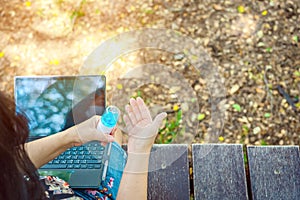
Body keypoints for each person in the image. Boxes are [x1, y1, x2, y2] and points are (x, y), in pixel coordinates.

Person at [0, 90, 167, 200]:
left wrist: (73, 136)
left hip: (58, 188)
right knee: (115, 136)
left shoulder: (6, 178)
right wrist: (139, 150)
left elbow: (9, 164)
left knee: (112, 135)